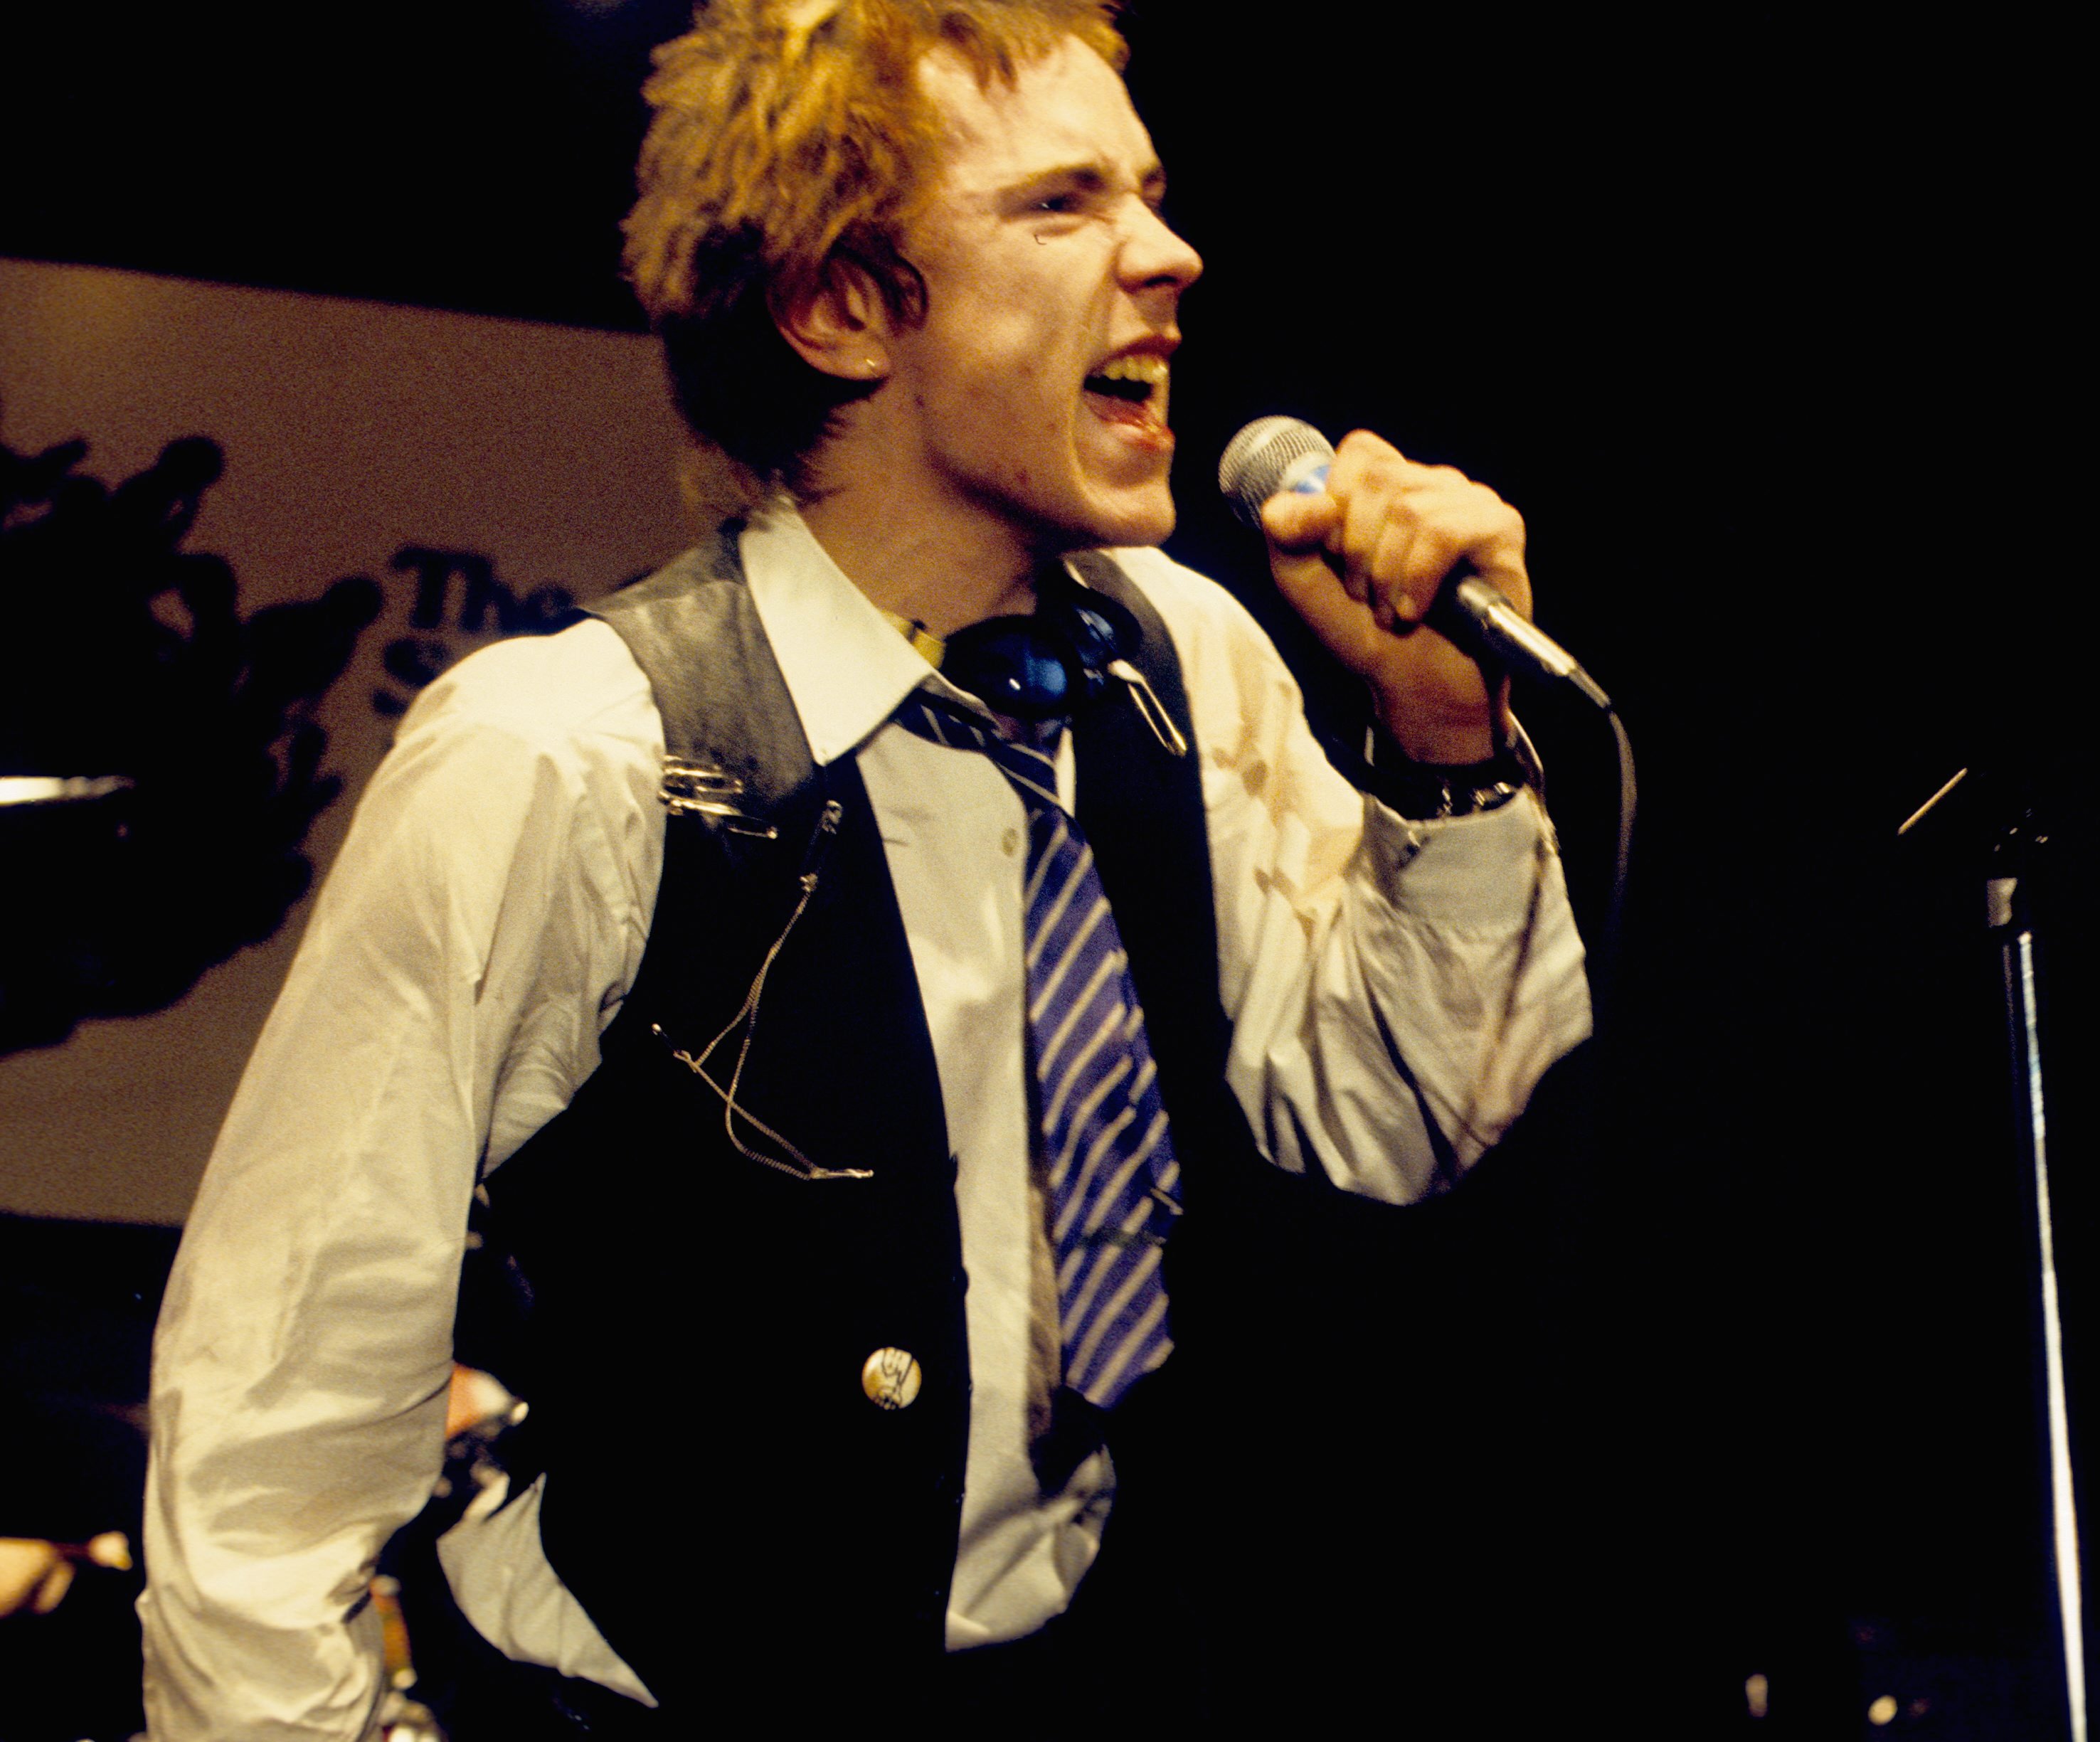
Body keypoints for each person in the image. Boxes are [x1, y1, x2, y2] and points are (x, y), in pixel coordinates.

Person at [136, 1, 1590, 1733]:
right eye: (1063, 205)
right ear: (836, 308)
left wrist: (1446, 738)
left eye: (1149, 190)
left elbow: (1406, 1105)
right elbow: (266, 1468)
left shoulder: (1173, 659)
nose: (1171, 253)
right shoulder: (562, 755)